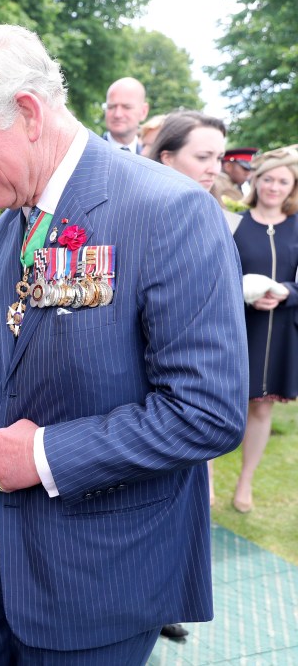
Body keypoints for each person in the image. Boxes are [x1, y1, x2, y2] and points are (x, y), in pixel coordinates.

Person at [0, 25, 247, 664]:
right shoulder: (8, 228)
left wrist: (47, 455)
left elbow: (207, 413)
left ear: (27, 112)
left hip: (95, 585)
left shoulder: (170, 212)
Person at [147, 109, 230, 640]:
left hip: (195, 396)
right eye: (203, 158)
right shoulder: (136, 220)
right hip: (150, 401)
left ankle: (163, 604)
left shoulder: (211, 213)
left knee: (181, 510)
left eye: (219, 159)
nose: (213, 169)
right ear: (166, 157)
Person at [230, 147, 298, 513]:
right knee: (225, 405)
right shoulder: (234, 223)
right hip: (239, 327)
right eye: (268, 179)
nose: (274, 186)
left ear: (292, 187)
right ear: (256, 181)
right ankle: (205, 479)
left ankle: (245, 483)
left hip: (281, 331)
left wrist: (287, 292)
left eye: (282, 181)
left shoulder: (297, 226)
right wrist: (245, 293)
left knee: (261, 410)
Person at [103, 76, 149, 153]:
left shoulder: (151, 160)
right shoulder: (87, 154)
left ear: (143, 111)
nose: (117, 114)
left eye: (127, 107)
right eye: (111, 107)